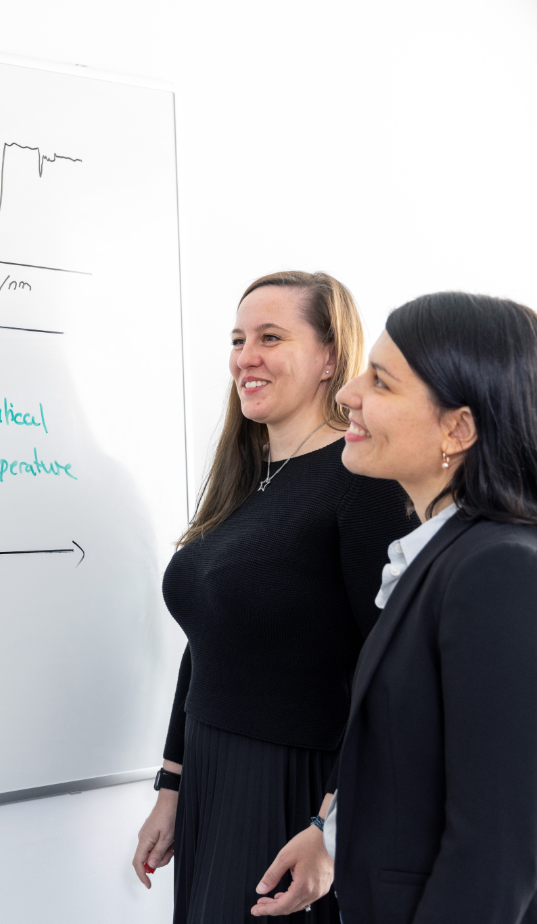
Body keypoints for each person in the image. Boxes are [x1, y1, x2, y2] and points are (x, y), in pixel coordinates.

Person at [132, 271, 416, 922]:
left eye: (269, 337)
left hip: (292, 786)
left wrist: (331, 824)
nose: (245, 357)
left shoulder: (361, 484)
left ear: (327, 357)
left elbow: (391, 671)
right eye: (238, 339)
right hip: (211, 773)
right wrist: (171, 787)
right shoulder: (242, 481)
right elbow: (208, 642)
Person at [319, 292, 537, 922]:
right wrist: (328, 834)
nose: (348, 394)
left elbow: (495, 853)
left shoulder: (498, 569)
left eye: (380, 382)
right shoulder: (443, 556)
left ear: (458, 429)